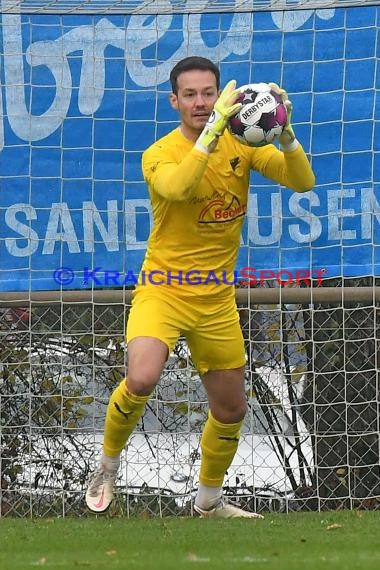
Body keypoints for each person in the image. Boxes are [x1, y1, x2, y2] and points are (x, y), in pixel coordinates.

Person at [85, 56, 315, 518]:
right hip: (164, 291)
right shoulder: (160, 153)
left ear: (220, 96)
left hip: (215, 300)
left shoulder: (242, 146)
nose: (201, 102)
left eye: (208, 93)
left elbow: (303, 182)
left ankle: (209, 502)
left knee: (231, 410)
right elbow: (178, 188)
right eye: (190, 95)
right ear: (174, 101)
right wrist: (212, 134)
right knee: (142, 377)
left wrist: (285, 134)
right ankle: (107, 464)